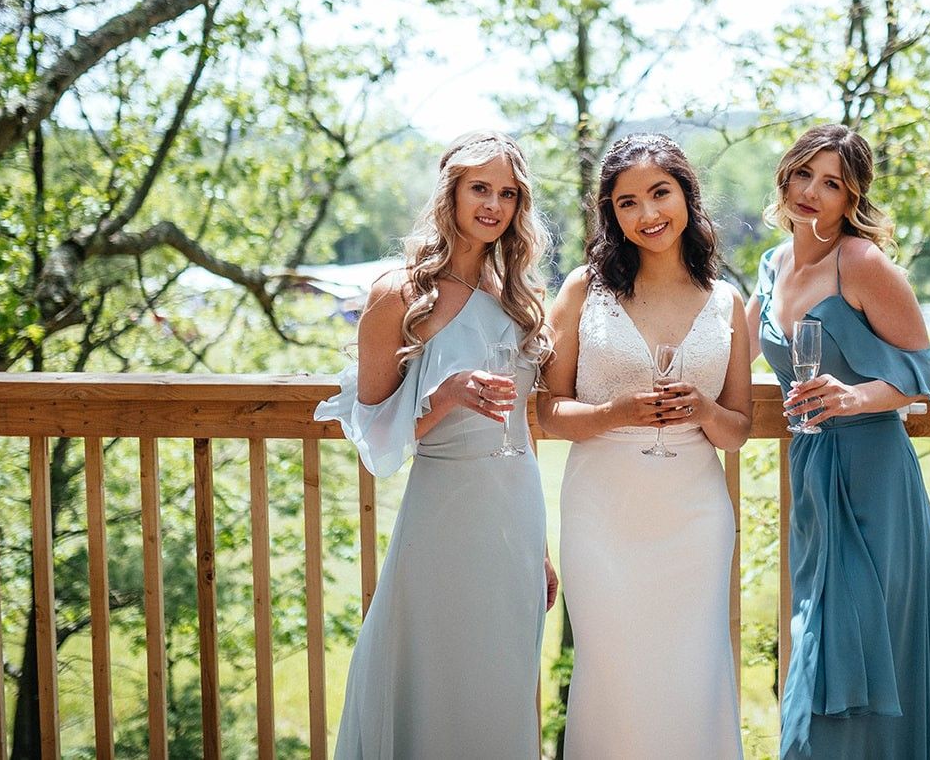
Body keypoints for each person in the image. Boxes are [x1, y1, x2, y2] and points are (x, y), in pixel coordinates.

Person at [314, 131, 558, 759]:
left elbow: (523, 429)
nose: (493, 205)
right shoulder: (399, 294)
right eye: (480, 188)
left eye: (508, 193)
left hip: (516, 511)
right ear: (450, 191)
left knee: (500, 683)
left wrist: (542, 548)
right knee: (432, 671)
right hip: (442, 511)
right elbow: (372, 432)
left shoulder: (519, 298)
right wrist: (442, 395)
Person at [746, 123, 930, 757]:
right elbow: (732, 350)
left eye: (832, 184)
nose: (812, 192)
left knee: (866, 649)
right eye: (803, 176)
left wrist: (854, 396)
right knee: (819, 638)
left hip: (874, 477)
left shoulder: (864, 264)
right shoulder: (772, 264)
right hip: (813, 471)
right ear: (785, 178)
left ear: (852, 200)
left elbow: (923, 376)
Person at [539, 133, 752, 760]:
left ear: (686, 194)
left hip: (694, 511)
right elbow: (550, 413)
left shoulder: (726, 302)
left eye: (660, 193)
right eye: (627, 203)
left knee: (693, 671)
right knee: (613, 674)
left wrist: (706, 410)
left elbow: (737, 429)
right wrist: (616, 412)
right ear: (612, 213)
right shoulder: (584, 289)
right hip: (603, 509)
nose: (648, 214)